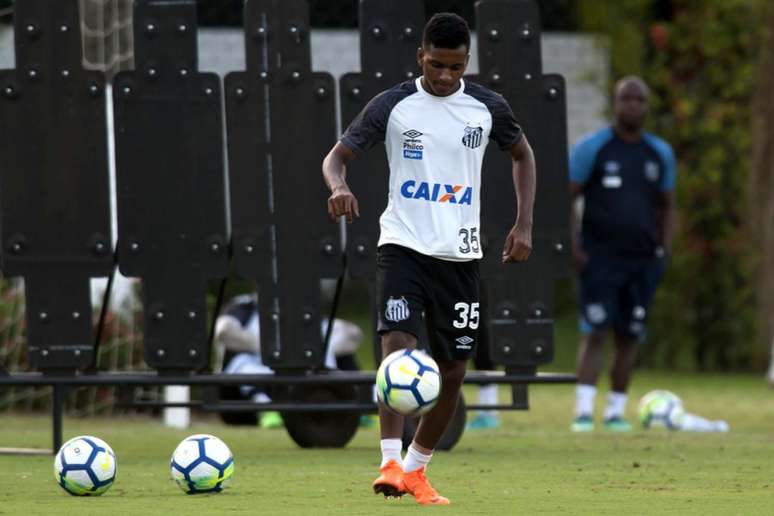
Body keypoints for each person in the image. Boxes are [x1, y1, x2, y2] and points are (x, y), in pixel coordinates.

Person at [322, 13, 535, 505]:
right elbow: (335, 158)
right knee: (397, 348)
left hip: (460, 257)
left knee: (454, 371)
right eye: (436, 65)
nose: (445, 76)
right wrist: (338, 186)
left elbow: (523, 155)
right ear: (421, 56)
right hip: (403, 247)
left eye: (455, 67)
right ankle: (389, 463)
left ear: (466, 62)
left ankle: (417, 470)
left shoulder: (487, 108)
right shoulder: (393, 105)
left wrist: (524, 223)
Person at [569, 76, 676, 432]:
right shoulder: (594, 148)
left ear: (647, 107)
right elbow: (567, 197)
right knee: (595, 331)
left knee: (630, 336)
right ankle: (584, 411)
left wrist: (665, 251)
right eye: (626, 99)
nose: (632, 105)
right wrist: (574, 246)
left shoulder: (658, 153)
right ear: (615, 104)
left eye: (639, 100)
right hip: (599, 258)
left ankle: (615, 412)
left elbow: (667, 206)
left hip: (643, 261)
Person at [214, 293, 366, 428]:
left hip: (304, 382)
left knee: (333, 352)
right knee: (240, 360)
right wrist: (273, 348)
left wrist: (308, 350)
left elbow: (353, 334)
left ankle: (356, 405)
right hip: (250, 388)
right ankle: (265, 408)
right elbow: (223, 331)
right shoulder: (245, 307)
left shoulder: (303, 309)